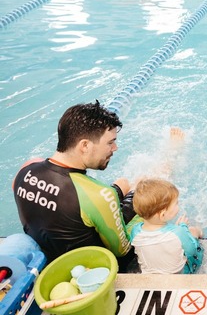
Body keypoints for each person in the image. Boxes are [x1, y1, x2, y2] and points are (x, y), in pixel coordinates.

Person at [12, 101, 136, 269]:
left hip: (46, 263)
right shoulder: (101, 195)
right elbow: (122, 250)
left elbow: (60, 204)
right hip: (88, 272)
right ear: (84, 145)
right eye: (110, 142)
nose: (115, 148)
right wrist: (132, 197)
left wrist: (116, 191)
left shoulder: (26, 169)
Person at [130, 177, 203, 274]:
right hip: (179, 274)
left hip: (150, 274)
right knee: (193, 231)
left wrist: (177, 229)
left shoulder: (135, 231)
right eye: (176, 203)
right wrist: (183, 227)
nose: (178, 205)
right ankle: (200, 233)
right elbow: (191, 251)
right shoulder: (178, 232)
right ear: (162, 214)